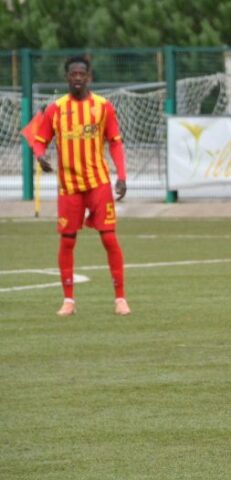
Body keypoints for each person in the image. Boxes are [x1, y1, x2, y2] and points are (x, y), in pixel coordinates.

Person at [31, 56, 131, 316]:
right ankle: (68, 301)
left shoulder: (103, 106)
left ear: (89, 77)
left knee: (108, 237)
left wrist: (121, 176)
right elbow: (38, 139)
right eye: (73, 73)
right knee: (67, 240)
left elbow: (115, 142)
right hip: (69, 186)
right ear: (67, 77)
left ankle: (120, 299)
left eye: (81, 74)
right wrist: (40, 156)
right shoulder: (56, 108)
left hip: (98, 182)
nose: (77, 78)